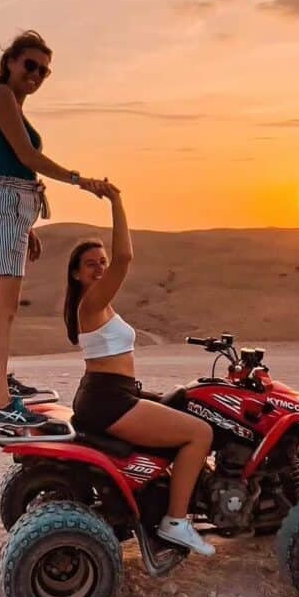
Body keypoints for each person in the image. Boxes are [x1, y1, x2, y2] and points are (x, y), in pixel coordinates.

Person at [64, 186, 216, 556]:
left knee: (190, 404)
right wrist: (116, 201)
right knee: (200, 434)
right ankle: (176, 522)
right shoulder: (92, 302)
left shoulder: (100, 305)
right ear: (77, 274)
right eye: (92, 263)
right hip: (109, 400)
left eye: (102, 262)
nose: (101, 267)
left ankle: (183, 494)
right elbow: (125, 257)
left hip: (116, 393)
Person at [0, 30, 113, 427]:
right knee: (2, 310)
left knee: (8, 308)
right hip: (6, 204)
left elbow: (16, 163)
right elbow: (25, 155)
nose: (36, 74)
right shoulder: (1, 96)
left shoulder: (13, 104)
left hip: (15, 207)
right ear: (10, 63)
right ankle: (0, 403)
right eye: (30, 65)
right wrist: (78, 179)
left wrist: (27, 223)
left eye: (44, 71)